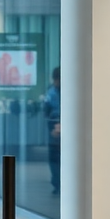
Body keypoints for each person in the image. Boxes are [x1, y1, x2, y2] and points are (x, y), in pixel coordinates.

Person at [45, 67, 61, 195]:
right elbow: (46, 111)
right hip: (54, 125)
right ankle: (57, 183)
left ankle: (59, 183)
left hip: (63, 125)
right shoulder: (51, 93)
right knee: (54, 157)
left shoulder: (52, 92)